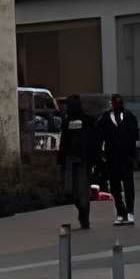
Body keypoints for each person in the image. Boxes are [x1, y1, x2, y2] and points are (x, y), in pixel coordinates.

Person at [101, 94, 140, 226]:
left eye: (120, 103)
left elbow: (136, 138)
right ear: (111, 104)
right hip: (112, 158)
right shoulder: (106, 118)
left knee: (128, 186)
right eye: (115, 103)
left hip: (126, 158)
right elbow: (101, 136)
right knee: (114, 188)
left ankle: (130, 212)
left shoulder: (130, 117)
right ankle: (120, 212)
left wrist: (135, 157)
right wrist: (102, 155)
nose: (117, 105)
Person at [56, 95, 97, 231]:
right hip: (69, 161)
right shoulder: (67, 122)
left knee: (82, 192)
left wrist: (93, 160)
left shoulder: (88, 121)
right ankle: (82, 211)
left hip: (83, 162)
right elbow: (63, 143)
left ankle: (84, 218)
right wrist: (60, 161)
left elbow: (92, 142)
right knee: (69, 191)